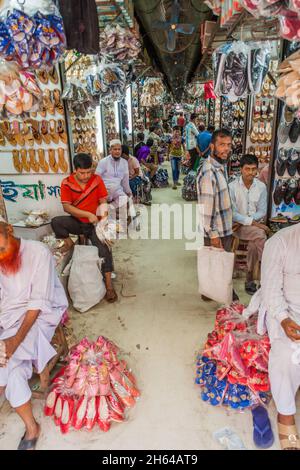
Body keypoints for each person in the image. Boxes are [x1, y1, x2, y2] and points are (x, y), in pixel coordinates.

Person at [0, 218, 68, 450]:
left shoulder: (38, 253)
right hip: (9, 316)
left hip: (42, 314)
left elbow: (38, 303)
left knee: (4, 363)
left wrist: (13, 341)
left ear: (9, 230)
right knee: (11, 369)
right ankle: (31, 427)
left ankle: (31, 427)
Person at [255, 223, 300, 450]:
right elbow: (271, 291)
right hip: (286, 315)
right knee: (285, 356)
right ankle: (285, 414)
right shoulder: (280, 243)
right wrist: (284, 319)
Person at [51, 153, 118, 303]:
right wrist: (87, 214)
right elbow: (67, 207)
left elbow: (103, 202)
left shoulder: (97, 180)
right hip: (78, 222)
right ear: (76, 170)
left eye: (89, 172)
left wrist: (104, 221)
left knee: (105, 250)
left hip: (95, 224)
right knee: (56, 222)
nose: (86, 176)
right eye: (82, 173)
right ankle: (69, 244)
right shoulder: (67, 183)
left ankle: (109, 286)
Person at [197, 128, 239, 302]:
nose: (226, 149)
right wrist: (213, 234)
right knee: (221, 264)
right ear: (212, 146)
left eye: (228, 145)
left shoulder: (220, 166)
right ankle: (227, 297)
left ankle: (208, 293)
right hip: (217, 229)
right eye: (222, 145)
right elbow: (206, 208)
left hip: (224, 225)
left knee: (216, 262)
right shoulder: (209, 172)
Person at [229, 154, 269, 295]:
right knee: (261, 234)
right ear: (241, 169)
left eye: (254, 169)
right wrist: (254, 223)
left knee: (254, 242)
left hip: (250, 226)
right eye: (247, 169)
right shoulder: (232, 187)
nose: (251, 173)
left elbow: (262, 211)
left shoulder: (261, 187)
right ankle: (267, 274)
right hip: (236, 228)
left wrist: (247, 221)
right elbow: (233, 214)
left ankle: (250, 276)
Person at [95, 139, 132, 209]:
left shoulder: (124, 162)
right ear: (110, 150)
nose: (117, 151)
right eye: (115, 149)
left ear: (121, 150)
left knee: (127, 202)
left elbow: (125, 180)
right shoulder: (103, 162)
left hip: (117, 190)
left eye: (119, 149)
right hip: (104, 191)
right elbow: (96, 178)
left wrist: (128, 191)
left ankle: (111, 210)